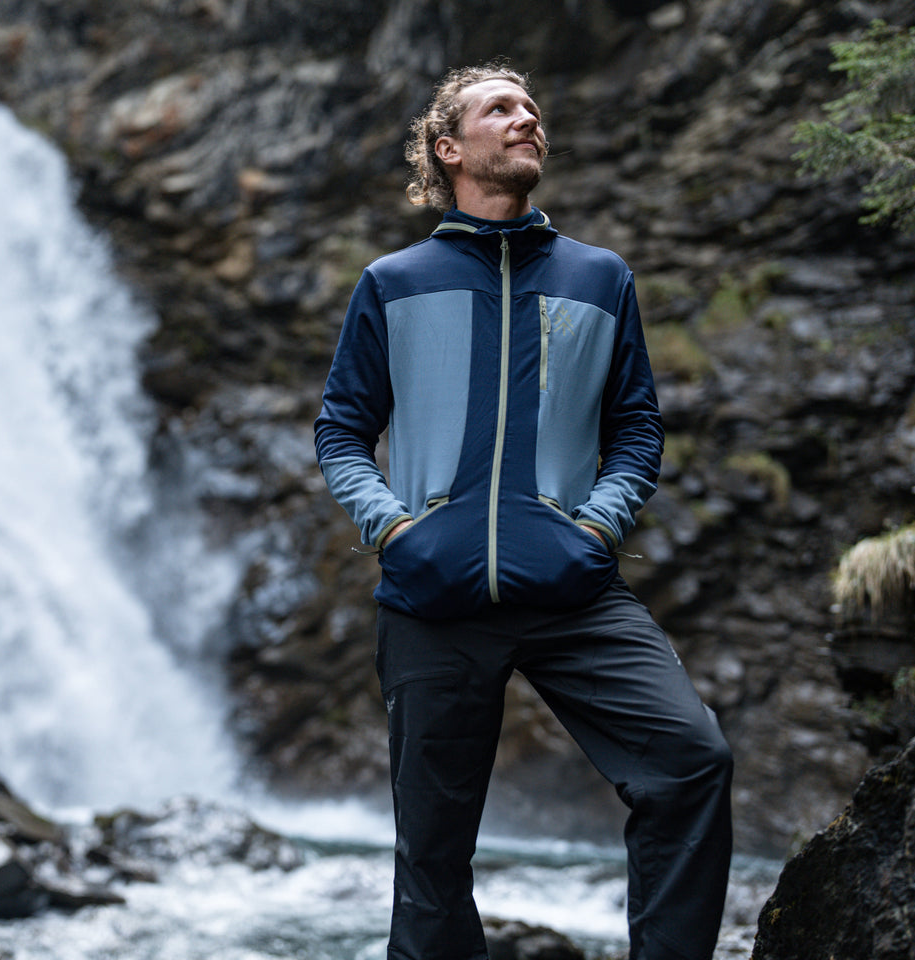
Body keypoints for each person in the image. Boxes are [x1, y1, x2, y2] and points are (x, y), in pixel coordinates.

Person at [313, 63, 733, 960]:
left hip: (573, 593)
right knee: (430, 857)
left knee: (693, 761)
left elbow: (638, 429)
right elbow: (342, 432)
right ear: (448, 147)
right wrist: (395, 530)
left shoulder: (599, 276)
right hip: (433, 601)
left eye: (532, 106)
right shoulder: (393, 281)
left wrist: (595, 529)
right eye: (499, 108)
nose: (526, 117)